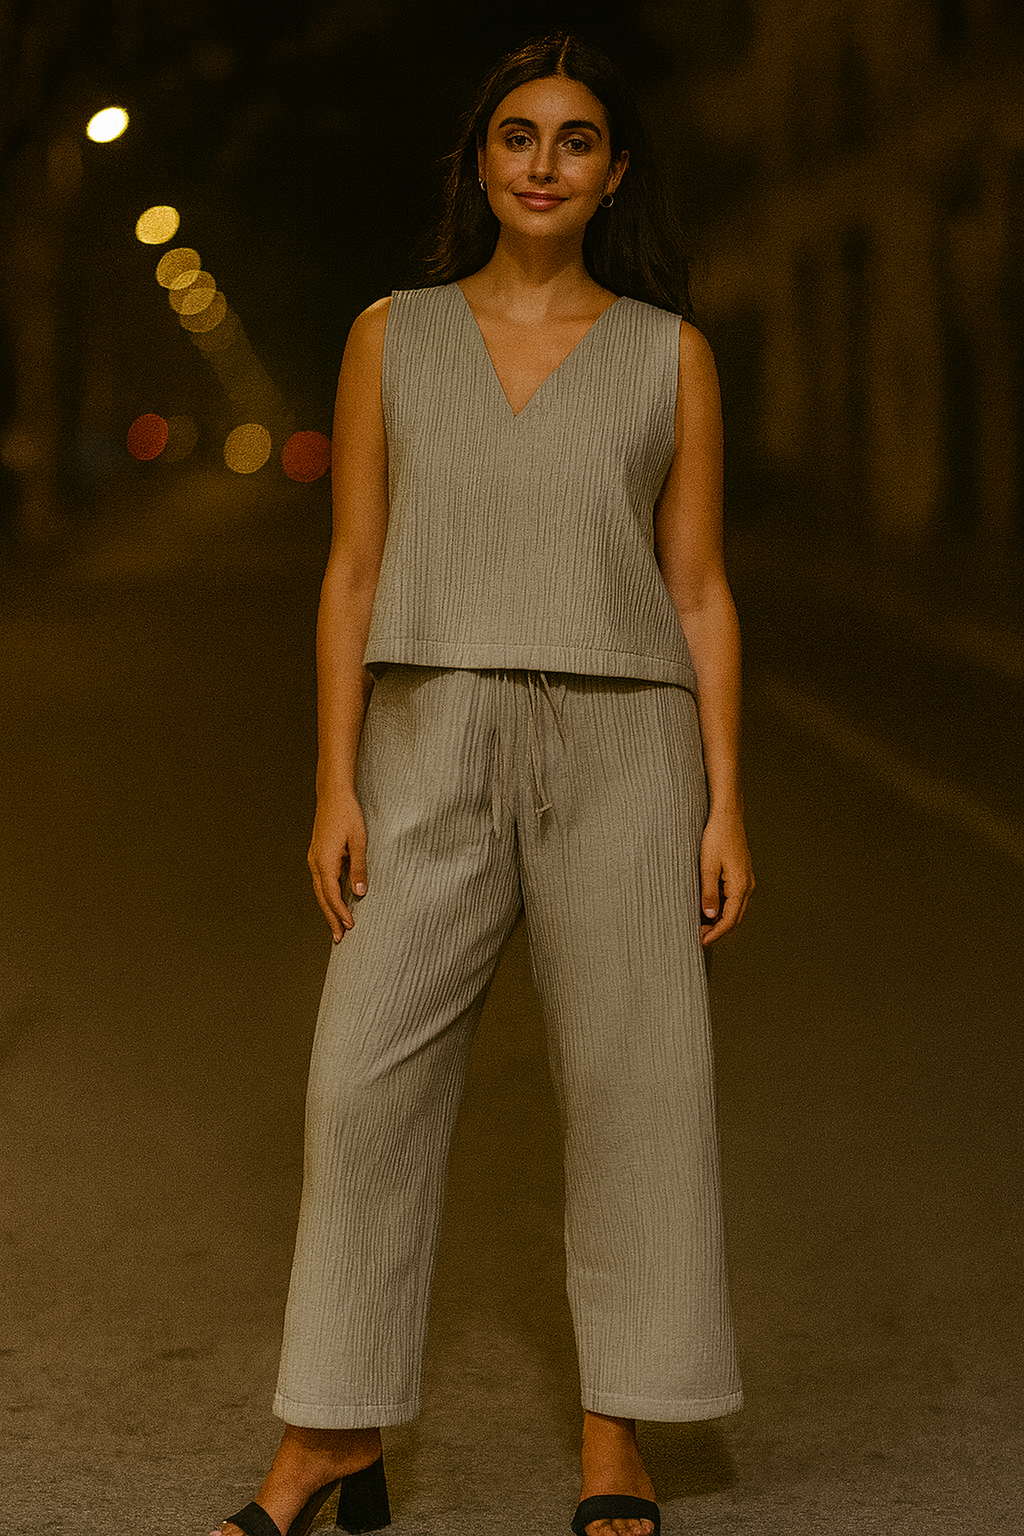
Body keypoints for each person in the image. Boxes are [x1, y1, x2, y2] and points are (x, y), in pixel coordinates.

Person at [211, 29, 754, 1536]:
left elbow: (698, 587)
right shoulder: (395, 335)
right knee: (361, 1084)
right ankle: (330, 1433)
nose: (544, 162)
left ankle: (615, 1443)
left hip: (625, 744)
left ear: (613, 173)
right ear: (482, 163)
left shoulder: (667, 354)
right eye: (519, 135)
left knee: (641, 1090)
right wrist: (336, 786)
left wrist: (723, 797)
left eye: (576, 140)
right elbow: (352, 571)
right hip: (426, 735)